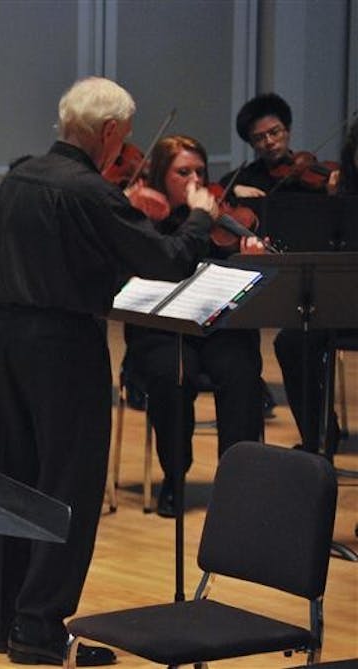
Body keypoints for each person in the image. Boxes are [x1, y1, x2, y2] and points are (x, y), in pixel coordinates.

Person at [0, 77, 215, 666]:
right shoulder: (87, 190)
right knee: (68, 484)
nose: (124, 149)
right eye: (125, 137)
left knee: (16, 480)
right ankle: (39, 627)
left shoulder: (18, 178)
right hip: (63, 345)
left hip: (5, 337)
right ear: (109, 132)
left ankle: (11, 621)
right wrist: (196, 217)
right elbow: (165, 261)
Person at [122, 135, 266, 517]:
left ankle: (238, 480)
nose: (194, 179)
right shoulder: (144, 218)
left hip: (213, 327)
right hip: (159, 330)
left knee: (242, 370)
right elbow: (161, 264)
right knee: (171, 374)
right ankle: (175, 475)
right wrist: (196, 221)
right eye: (182, 172)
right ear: (160, 175)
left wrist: (246, 256)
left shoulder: (218, 219)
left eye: (200, 171)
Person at [274, 116, 358, 452]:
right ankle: (319, 434)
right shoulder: (340, 193)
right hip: (344, 300)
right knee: (291, 342)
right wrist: (333, 205)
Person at [220, 92, 329, 196]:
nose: (269, 142)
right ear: (251, 144)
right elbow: (219, 188)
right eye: (259, 138)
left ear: (288, 130)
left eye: (274, 132)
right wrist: (234, 189)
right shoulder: (247, 177)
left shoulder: (312, 177)